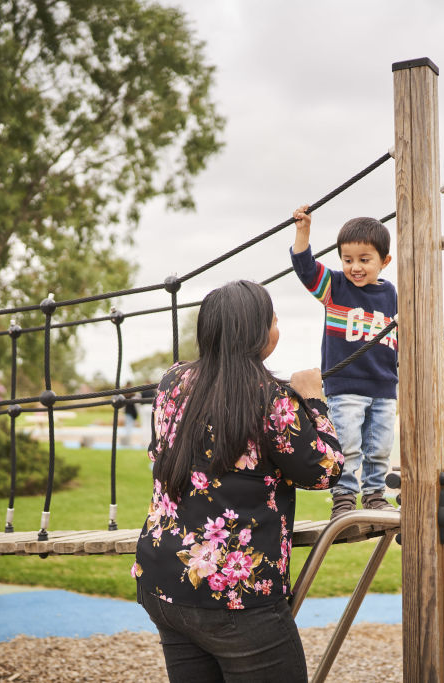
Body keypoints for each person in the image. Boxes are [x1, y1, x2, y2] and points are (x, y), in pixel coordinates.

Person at [133, 280, 343, 682]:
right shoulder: (271, 398)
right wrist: (313, 400)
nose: (277, 326)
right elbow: (325, 470)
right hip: (236, 596)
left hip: (163, 583)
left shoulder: (172, 381)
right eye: (274, 320)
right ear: (256, 333)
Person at [290, 205, 398, 519]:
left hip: (384, 387)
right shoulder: (335, 288)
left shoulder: (391, 294)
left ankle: (375, 494)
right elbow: (305, 267)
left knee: (379, 448)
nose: (355, 267)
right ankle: (344, 498)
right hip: (346, 388)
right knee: (348, 446)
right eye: (348, 260)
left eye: (364, 260)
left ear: (384, 261)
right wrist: (303, 232)